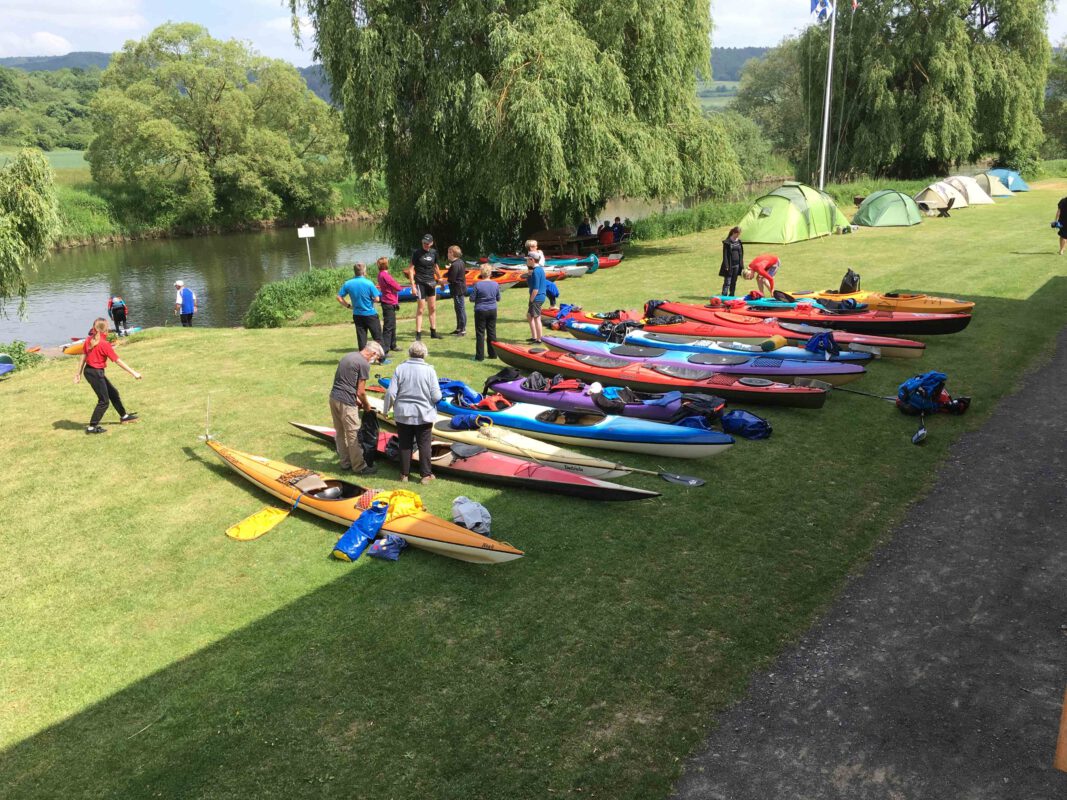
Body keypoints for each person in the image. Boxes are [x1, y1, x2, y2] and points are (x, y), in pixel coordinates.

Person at [382, 340, 442, 485]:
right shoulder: (429, 370)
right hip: (424, 414)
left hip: (403, 414)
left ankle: (404, 475)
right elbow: (436, 396)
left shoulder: (400, 368)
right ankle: (425, 475)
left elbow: (391, 393)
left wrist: (386, 410)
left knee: (404, 444)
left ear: (410, 353)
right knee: (424, 444)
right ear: (425, 354)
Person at [74, 318, 141, 434]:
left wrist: (79, 374)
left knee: (113, 393)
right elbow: (118, 361)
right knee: (104, 401)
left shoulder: (90, 339)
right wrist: (134, 373)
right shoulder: (104, 344)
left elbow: (83, 357)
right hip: (94, 373)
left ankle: (124, 416)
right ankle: (91, 427)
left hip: (91, 372)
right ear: (106, 330)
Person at [329, 342, 385, 474]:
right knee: (353, 434)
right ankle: (359, 466)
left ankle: (345, 463)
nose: (375, 361)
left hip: (334, 398)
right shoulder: (363, 364)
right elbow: (361, 391)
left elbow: (343, 381)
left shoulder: (348, 356)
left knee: (340, 432)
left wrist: (356, 400)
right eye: (377, 359)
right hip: (346, 402)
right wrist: (366, 406)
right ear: (374, 353)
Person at [405, 233, 444, 340]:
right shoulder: (417, 253)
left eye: (427, 243)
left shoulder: (434, 253)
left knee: (432, 308)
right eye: (424, 243)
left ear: (431, 243)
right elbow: (411, 270)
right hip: (420, 282)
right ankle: (418, 334)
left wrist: (440, 280)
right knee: (421, 309)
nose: (425, 245)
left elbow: (436, 267)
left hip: (431, 282)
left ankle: (433, 332)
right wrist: (412, 286)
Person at [337, 262, 382, 350]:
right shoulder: (369, 283)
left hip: (357, 314)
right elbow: (377, 299)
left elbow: (339, 297)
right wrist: (370, 300)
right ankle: (381, 359)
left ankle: (363, 359)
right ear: (364, 271)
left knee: (361, 338)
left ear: (355, 272)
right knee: (377, 337)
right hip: (370, 314)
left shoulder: (348, 283)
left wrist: (348, 306)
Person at [470, 264, 501, 361]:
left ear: (481, 273)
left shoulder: (477, 284)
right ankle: (493, 354)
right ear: (490, 273)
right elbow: (498, 298)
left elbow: (472, 299)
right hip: (492, 310)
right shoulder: (495, 284)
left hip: (480, 310)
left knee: (480, 333)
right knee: (492, 332)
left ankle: (479, 356)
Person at [376, 257, 401, 353]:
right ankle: (385, 349)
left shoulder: (380, 274)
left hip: (389, 301)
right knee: (388, 327)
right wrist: (397, 287)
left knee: (392, 325)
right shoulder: (385, 275)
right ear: (386, 264)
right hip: (389, 302)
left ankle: (392, 345)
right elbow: (397, 287)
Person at [445, 245, 468, 336]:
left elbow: (451, 279)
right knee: (458, 309)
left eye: (448, 252)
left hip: (458, 290)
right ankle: (459, 328)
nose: (447, 254)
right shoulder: (460, 262)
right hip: (459, 289)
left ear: (452, 253)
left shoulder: (455, 265)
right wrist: (450, 268)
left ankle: (463, 330)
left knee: (460, 309)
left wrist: (440, 282)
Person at [525, 252, 547, 343]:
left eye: (528, 259)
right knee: (529, 316)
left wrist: (531, 300)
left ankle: (539, 339)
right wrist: (529, 275)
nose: (526, 261)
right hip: (539, 297)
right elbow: (531, 284)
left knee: (537, 318)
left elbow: (535, 289)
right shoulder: (538, 270)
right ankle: (534, 337)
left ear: (532, 260)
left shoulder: (536, 271)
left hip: (536, 297)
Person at [719, 226, 744, 297]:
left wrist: (741, 265)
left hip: (737, 265)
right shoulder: (727, 242)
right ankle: (724, 296)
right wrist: (726, 266)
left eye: (739, 234)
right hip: (729, 265)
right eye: (737, 234)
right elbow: (725, 255)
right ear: (734, 233)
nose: (738, 236)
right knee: (727, 282)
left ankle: (731, 296)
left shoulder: (739, 242)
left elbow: (741, 254)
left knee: (734, 282)